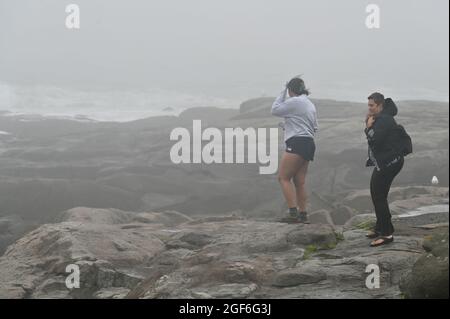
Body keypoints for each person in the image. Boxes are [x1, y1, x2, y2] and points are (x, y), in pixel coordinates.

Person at [271, 77, 318, 223]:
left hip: (297, 142)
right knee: (299, 182)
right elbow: (314, 127)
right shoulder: (309, 104)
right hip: (309, 143)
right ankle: (303, 215)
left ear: (291, 90)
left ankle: (293, 214)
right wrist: (289, 126)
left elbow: (275, 109)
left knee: (283, 178)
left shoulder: (295, 101)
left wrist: (282, 92)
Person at [364, 92, 404, 247]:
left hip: (390, 163)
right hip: (387, 162)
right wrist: (369, 125)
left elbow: (375, 140)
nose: (369, 108)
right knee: (378, 194)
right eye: (368, 105)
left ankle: (387, 234)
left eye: (372, 105)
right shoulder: (381, 118)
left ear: (380, 105)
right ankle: (381, 227)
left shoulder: (385, 120)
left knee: (378, 195)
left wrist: (368, 128)